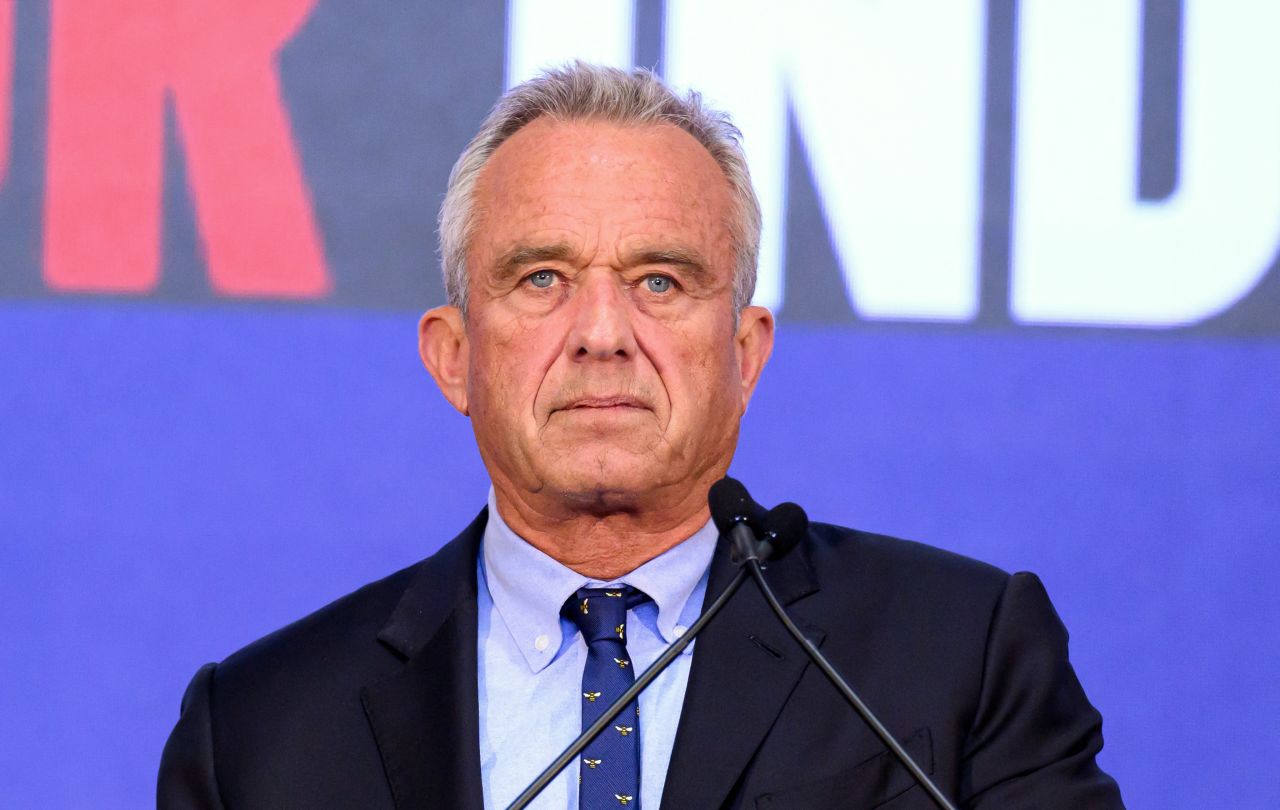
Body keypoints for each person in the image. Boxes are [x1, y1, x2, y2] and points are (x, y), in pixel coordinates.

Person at [158, 62, 1123, 809]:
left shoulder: (956, 659)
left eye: (660, 281)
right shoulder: (259, 734)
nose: (603, 332)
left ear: (745, 353)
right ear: (453, 356)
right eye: (541, 279)